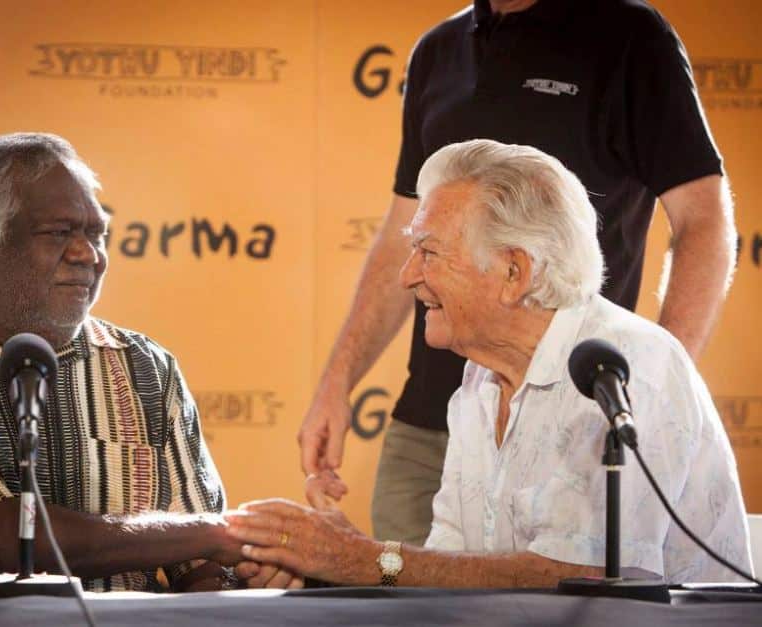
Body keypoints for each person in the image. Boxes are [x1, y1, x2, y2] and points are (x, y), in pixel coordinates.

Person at [299, 0, 738, 545]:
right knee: (413, 600)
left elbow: (703, 219)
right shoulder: (438, 50)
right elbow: (401, 236)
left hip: (575, 416)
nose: (416, 273)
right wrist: (337, 381)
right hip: (436, 416)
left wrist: (649, 388)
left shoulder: (630, 37)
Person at [232, 140, 751, 587]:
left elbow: (582, 577)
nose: (407, 277)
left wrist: (362, 559)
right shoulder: (480, 379)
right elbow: (447, 566)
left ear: (513, 271)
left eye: (429, 253)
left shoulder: (630, 365)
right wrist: (337, 558)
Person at [0, 132, 297, 592]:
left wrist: (238, 571)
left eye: (97, 234)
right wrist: (217, 533)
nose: (90, 255)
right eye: (60, 233)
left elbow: (200, 565)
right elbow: (5, 540)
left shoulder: (145, 367)